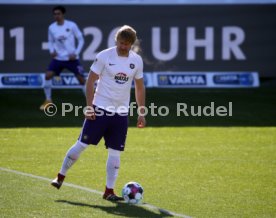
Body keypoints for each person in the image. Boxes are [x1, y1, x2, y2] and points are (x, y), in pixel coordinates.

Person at [51, 25, 146, 201]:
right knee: (82, 144)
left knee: (115, 152)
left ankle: (109, 191)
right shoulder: (104, 56)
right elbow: (90, 82)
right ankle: (60, 176)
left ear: (132, 44)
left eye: (127, 44)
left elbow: (139, 87)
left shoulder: (137, 61)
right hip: (99, 109)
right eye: (121, 42)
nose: (123, 46)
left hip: (120, 114)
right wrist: (89, 107)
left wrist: (141, 112)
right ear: (116, 40)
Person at [40, 5, 85, 110]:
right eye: (55, 14)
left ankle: (92, 104)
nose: (57, 16)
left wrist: (76, 53)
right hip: (58, 59)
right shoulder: (51, 27)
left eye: (58, 14)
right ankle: (48, 100)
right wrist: (51, 51)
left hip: (71, 59)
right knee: (47, 76)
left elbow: (81, 39)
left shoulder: (72, 25)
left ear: (63, 14)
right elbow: (50, 41)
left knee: (82, 80)